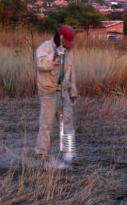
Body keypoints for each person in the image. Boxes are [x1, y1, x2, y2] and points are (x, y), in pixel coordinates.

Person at [35, 25, 77, 164]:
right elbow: (41, 65)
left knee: (69, 123)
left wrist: (73, 91)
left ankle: (70, 154)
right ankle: (41, 153)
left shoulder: (69, 51)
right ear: (59, 38)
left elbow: (71, 71)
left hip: (63, 90)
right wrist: (54, 55)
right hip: (48, 91)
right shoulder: (45, 47)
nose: (67, 46)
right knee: (46, 123)